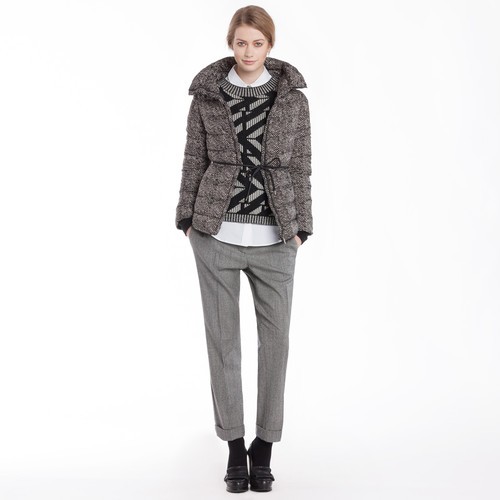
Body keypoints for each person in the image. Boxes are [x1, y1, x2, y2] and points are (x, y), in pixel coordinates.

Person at [175, 4, 313, 493]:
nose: (249, 51)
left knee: (276, 346)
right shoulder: (208, 96)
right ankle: (234, 447)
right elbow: (194, 157)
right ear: (230, 43)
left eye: (258, 43)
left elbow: (301, 165)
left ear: (270, 45)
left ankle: (265, 446)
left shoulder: (292, 99)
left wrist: (301, 228)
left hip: (277, 238)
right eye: (241, 42)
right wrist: (187, 219)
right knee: (224, 346)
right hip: (215, 235)